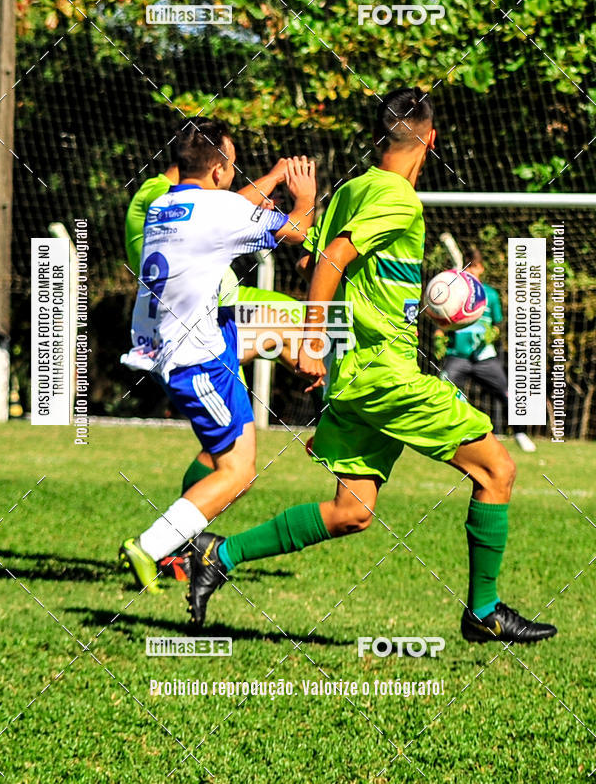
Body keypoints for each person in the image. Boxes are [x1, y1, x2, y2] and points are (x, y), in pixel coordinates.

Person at [187, 88, 557, 644]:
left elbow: (315, 260)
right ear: (429, 140)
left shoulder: (352, 189)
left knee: (352, 511)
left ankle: (221, 554)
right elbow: (332, 260)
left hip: (357, 373)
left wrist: (417, 313)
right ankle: (484, 611)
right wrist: (312, 341)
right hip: (385, 376)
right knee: (497, 470)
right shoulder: (400, 199)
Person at [119, 119, 316, 592]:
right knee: (237, 471)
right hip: (199, 359)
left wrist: (269, 178)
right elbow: (295, 231)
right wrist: (304, 196)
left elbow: (223, 207)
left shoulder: (164, 204)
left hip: (181, 348)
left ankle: (172, 546)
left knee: (229, 457)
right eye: (231, 165)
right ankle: (151, 547)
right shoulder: (221, 211)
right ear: (220, 170)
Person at [435, 250, 536, 453]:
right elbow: (442, 319)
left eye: (474, 266)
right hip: (458, 355)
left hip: (484, 357)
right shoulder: (455, 291)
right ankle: (439, 433)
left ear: (481, 268)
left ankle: (519, 432)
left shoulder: (490, 294)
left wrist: (493, 333)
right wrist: (439, 336)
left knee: (508, 394)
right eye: (468, 266)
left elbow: (498, 323)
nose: (471, 270)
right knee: (441, 392)